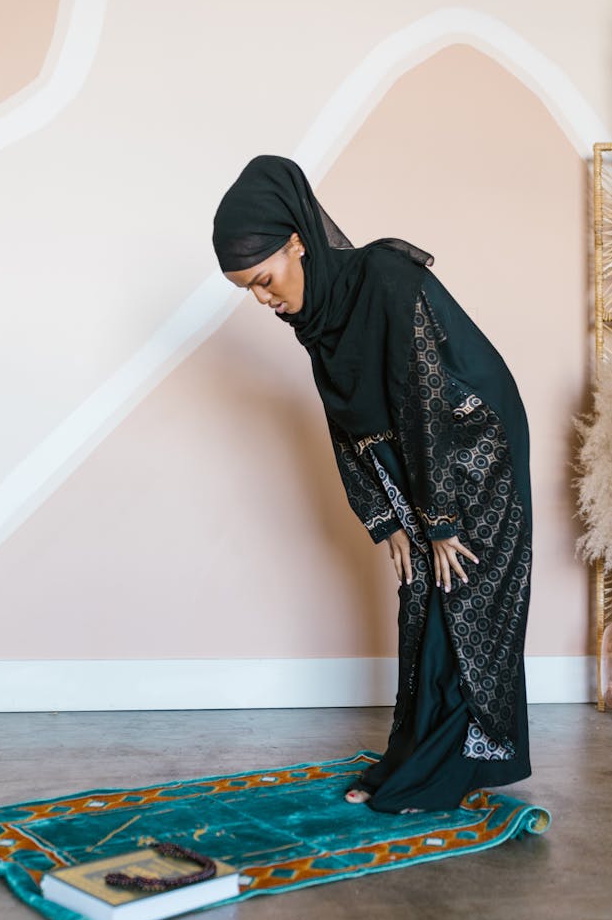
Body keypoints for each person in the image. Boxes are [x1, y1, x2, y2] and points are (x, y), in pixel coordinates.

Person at [212, 155, 533, 815]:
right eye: (247, 289)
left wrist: (439, 520)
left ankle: (453, 766)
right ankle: (416, 755)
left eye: (264, 279)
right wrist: (386, 519)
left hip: (474, 439)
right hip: (419, 452)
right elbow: (346, 419)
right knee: (420, 599)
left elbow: (422, 396)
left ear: (298, 241)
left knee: (460, 598)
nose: (263, 299)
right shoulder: (318, 317)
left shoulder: (388, 279)